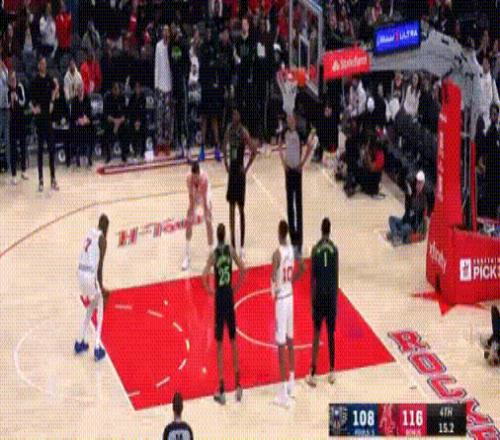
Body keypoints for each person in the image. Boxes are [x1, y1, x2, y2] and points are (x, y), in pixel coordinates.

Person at [201, 223, 245, 405]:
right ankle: (238, 385)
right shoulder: (230, 250)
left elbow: (203, 275)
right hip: (229, 296)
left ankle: (221, 388)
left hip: (220, 298)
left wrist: (210, 290)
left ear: (216, 237)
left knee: (219, 344)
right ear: (225, 235)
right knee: (233, 341)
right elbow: (243, 269)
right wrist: (236, 287)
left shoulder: (214, 255)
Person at [271, 220, 305, 408]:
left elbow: (273, 279)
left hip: (282, 300)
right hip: (291, 296)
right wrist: (292, 281)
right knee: (291, 340)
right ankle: (292, 380)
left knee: (280, 345)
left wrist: (275, 290)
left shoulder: (277, 254)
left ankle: (284, 391)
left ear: (279, 232)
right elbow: (303, 268)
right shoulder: (293, 250)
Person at [306, 218, 338, 387]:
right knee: (331, 334)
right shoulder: (334, 249)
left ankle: (313, 372)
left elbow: (313, 278)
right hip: (331, 296)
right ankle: (332, 370)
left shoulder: (315, 249)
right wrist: (335, 298)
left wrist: (312, 300)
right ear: (329, 230)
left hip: (319, 295)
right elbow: (336, 275)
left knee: (316, 334)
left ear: (321, 229)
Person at [222, 107, 257, 260]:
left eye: (237, 114)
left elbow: (254, 151)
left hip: (240, 173)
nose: (235, 116)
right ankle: (232, 244)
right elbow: (223, 145)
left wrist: (246, 168)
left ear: (240, 116)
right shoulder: (229, 130)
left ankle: (242, 246)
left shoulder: (243, 132)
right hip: (232, 172)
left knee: (241, 210)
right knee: (231, 209)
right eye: (233, 114)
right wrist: (225, 163)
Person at [74, 214, 110, 362]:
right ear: (106, 227)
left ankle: (80, 341)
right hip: (90, 276)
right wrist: (101, 287)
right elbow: (99, 266)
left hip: (80, 273)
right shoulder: (102, 240)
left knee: (91, 306)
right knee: (100, 306)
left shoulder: (90, 232)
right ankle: (97, 348)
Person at [279, 113, 314, 258]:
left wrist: (302, 163)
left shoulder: (300, 132)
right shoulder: (285, 132)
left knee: (298, 206)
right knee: (290, 206)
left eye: (291, 119)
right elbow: (279, 146)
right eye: (288, 119)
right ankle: (293, 239)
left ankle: (299, 242)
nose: (289, 121)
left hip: (297, 171)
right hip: (288, 171)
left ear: (294, 120)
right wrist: (283, 163)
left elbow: (310, 146)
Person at [30, 56, 59, 192]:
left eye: (45, 63)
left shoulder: (49, 78)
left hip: (48, 119)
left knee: (52, 149)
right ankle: (41, 180)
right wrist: (34, 108)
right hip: (40, 120)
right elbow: (30, 100)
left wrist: (52, 100)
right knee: (40, 151)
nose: (44, 65)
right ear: (38, 65)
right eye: (42, 63)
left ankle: (53, 179)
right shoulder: (35, 80)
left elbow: (56, 87)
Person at [182, 162, 214, 271]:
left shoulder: (204, 179)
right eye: (194, 177)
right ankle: (187, 256)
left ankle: (211, 254)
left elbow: (204, 200)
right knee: (189, 221)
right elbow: (191, 198)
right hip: (195, 194)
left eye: (196, 177)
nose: (195, 179)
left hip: (205, 194)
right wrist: (191, 213)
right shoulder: (188, 178)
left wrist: (207, 212)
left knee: (208, 222)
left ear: (199, 174)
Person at [387, 170, 427, 245]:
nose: (419, 185)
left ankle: (396, 234)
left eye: (420, 183)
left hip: (411, 226)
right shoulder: (412, 194)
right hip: (404, 221)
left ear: (423, 184)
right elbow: (407, 208)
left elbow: (420, 217)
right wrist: (407, 196)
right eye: (418, 183)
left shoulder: (423, 199)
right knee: (391, 219)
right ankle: (396, 235)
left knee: (405, 228)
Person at [155, 25, 173, 152]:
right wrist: (156, 84)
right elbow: (157, 65)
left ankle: (167, 143)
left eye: (167, 31)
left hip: (170, 86)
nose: (165, 32)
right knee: (159, 116)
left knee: (168, 117)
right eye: (164, 31)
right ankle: (159, 142)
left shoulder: (172, 46)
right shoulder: (158, 46)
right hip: (160, 85)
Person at [8, 71, 28, 184]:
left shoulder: (20, 87)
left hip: (21, 120)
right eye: (11, 79)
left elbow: (24, 102)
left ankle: (24, 171)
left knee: (23, 146)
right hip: (12, 122)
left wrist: (17, 99)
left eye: (14, 79)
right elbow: (6, 105)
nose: (13, 81)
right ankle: (14, 175)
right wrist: (11, 101)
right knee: (13, 148)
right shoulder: (7, 90)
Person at [103, 82, 127, 163]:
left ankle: (124, 155)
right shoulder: (108, 98)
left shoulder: (122, 98)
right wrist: (114, 121)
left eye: (118, 89)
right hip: (111, 121)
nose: (117, 91)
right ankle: (108, 156)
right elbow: (106, 114)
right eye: (115, 89)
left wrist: (119, 122)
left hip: (120, 122)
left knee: (125, 131)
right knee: (107, 133)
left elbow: (125, 114)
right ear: (112, 90)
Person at [70, 82, 93, 167]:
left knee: (91, 131)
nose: (80, 91)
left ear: (83, 90)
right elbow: (72, 115)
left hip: (86, 123)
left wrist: (86, 119)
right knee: (77, 131)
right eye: (78, 90)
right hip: (77, 124)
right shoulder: (74, 100)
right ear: (77, 91)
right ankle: (77, 159)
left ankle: (89, 157)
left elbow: (90, 113)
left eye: (81, 90)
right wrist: (78, 120)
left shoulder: (87, 99)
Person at [127, 80, 146, 160]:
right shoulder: (132, 98)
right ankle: (135, 151)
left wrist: (139, 121)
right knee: (131, 131)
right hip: (133, 120)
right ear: (134, 89)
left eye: (138, 87)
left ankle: (142, 152)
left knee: (143, 130)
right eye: (136, 87)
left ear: (140, 88)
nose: (137, 89)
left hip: (141, 120)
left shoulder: (143, 97)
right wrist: (135, 121)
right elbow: (130, 110)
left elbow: (143, 111)